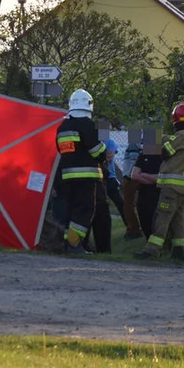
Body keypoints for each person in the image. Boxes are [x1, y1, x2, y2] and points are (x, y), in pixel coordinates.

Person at [135, 102, 184, 261]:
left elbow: (166, 152)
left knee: (161, 218)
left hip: (171, 186)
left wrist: (159, 141)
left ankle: (151, 251)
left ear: (176, 119)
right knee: (178, 220)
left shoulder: (182, 135)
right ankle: (179, 252)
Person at [55, 88, 109, 255]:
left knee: (71, 211)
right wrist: (104, 153)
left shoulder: (63, 127)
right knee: (85, 210)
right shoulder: (87, 124)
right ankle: (74, 245)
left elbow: (60, 150)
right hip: (86, 177)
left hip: (66, 177)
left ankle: (67, 244)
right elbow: (96, 150)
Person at [129, 135, 163, 239]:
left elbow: (161, 178)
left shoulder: (163, 157)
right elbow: (134, 175)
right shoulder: (143, 155)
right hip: (144, 194)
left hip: (158, 194)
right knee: (144, 218)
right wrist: (153, 179)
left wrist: (143, 175)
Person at [102, 139, 125, 218]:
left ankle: (131, 226)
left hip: (110, 178)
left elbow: (110, 157)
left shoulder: (109, 142)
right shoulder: (93, 141)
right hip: (98, 178)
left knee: (120, 203)